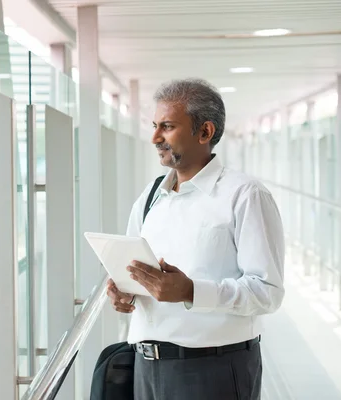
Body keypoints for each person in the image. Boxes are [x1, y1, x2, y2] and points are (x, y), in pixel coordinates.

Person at [106, 78, 285, 400]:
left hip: (213, 370)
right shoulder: (150, 195)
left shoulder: (244, 195)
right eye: (154, 125)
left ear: (205, 132)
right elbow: (134, 268)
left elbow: (267, 292)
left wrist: (191, 291)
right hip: (146, 366)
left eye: (168, 126)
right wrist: (125, 292)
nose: (155, 137)